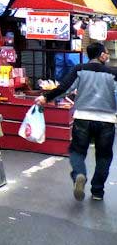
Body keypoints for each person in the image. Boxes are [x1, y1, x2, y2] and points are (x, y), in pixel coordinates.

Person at [36, 42, 117, 201]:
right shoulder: (113, 73)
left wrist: (45, 98)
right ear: (101, 55)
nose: (107, 55)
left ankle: (79, 174)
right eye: (106, 53)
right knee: (104, 157)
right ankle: (97, 192)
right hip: (107, 120)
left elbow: (64, 88)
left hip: (82, 119)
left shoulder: (79, 69)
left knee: (77, 152)